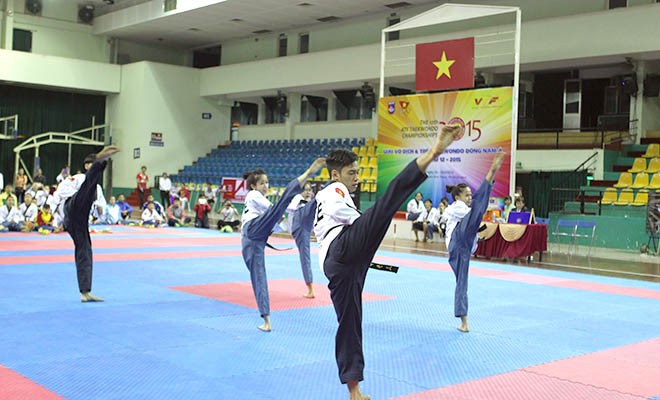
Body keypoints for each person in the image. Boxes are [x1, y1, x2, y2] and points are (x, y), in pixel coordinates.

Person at [314, 125, 461, 400]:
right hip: (341, 250)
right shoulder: (332, 190)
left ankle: (353, 389)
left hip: (343, 266)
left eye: (357, 172)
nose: (356, 178)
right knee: (386, 204)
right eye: (351, 173)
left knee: (349, 322)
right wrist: (371, 221)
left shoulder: (337, 194)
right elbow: (350, 218)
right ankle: (434, 152)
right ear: (335, 175)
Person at [241, 158, 325, 332]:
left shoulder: (259, 198)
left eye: (267, 182)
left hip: (257, 238)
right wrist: (282, 217)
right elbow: (274, 209)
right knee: (281, 204)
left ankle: (267, 320)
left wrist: (282, 220)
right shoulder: (253, 195)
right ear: (253, 186)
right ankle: (309, 172)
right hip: (252, 231)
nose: (265, 186)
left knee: (259, 276)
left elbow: (276, 216)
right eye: (262, 183)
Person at [444, 152, 505, 333]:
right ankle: (490, 175)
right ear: (457, 197)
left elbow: (474, 221)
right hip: (457, 243)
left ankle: (464, 321)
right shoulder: (457, 207)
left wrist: (477, 236)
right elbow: (475, 212)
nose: (469, 198)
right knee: (478, 206)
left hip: (462, 246)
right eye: (467, 195)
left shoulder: (465, 210)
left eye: (470, 195)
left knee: (462, 282)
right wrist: (491, 173)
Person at [54, 145, 119, 302]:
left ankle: (85, 291)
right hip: (72, 207)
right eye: (90, 164)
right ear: (85, 166)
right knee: (87, 185)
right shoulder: (78, 178)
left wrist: (99, 211)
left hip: (81, 220)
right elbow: (59, 194)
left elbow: (99, 210)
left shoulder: (97, 189)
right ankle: (100, 160)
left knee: (85, 249)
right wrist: (58, 219)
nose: (90, 168)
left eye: (94, 163)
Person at [286, 182, 316, 298]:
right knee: (305, 257)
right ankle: (310, 288)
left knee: (305, 257)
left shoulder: (307, 202)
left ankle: (310, 288)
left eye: (310, 190)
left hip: (304, 226)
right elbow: (291, 208)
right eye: (306, 190)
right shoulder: (297, 199)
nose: (308, 192)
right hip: (300, 226)